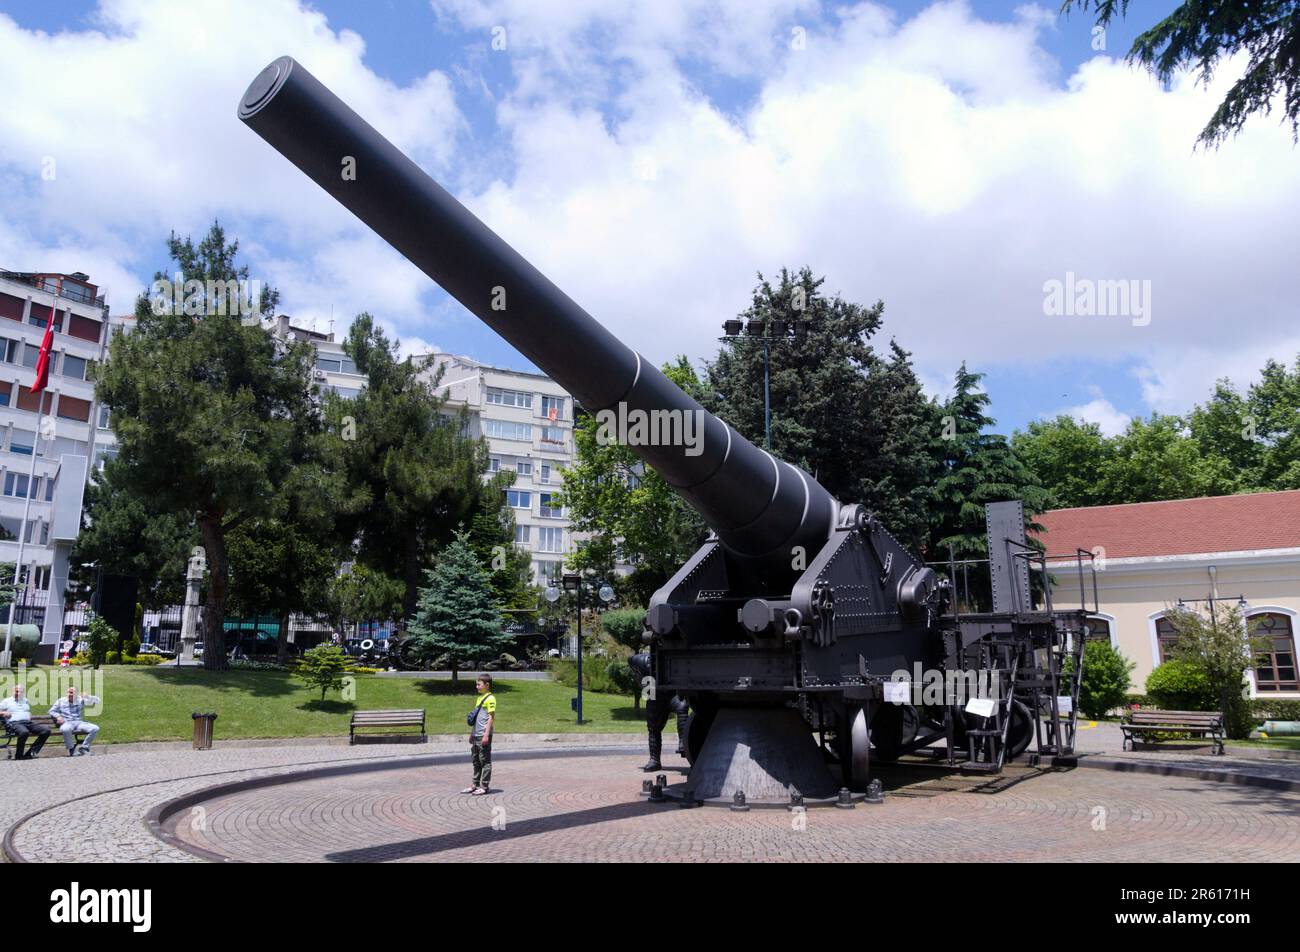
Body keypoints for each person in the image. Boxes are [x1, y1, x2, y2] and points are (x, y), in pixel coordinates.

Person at [628, 651, 690, 772]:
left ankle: (683, 743)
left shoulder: (676, 659)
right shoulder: (642, 661)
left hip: (672, 691)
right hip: (653, 690)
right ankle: (654, 760)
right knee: (653, 727)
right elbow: (646, 690)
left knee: (682, 708)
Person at [462, 674, 496, 796]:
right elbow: (477, 719)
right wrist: (472, 733)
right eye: (476, 684)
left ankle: (484, 786)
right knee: (476, 760)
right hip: (476, 734)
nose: (477, 686)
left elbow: (491, 718)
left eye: (479, 684)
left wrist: (486, 734)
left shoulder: (491, 699)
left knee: (485, 761)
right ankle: (475, 784)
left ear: (487, 685)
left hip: (483, 734)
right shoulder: (480, 698)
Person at [48, 685, 101, 757]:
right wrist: (58, 716)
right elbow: (51, 711)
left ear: (76, 694)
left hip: (79, 723)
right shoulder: (61, 701)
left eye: (71, 693)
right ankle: (71, 750)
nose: (69, 694)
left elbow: (98, 701)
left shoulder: (80, 699)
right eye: (68, 692)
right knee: (65, 729)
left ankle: (84, 748)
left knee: (95, 728)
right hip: (67, 722)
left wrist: (88, 696)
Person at [0, 685, 50, 760]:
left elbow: (26, 711)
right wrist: (3, 713)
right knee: (24, 732)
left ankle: (30, 753)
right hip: (15, 723)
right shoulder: (7, 701)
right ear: (12, 691)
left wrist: (28, 715)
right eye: (16, 691)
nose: (17, 693)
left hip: (28, 723)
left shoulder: (25, 700)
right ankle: (19, 755)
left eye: (19, 691)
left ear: (22, 693)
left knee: (46, 730)